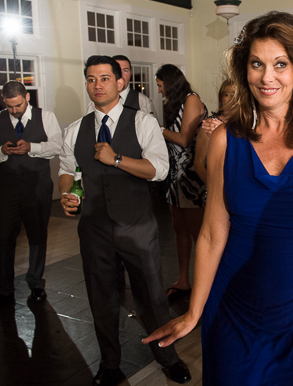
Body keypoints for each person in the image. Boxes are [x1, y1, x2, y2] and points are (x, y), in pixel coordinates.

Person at [144, 11, 293, 386]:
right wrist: (194, 310)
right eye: (257, 64)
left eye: (280, 64)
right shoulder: (226, 139)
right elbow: (211, 234)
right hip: (233, 308)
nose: (266, 76)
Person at [58, 56, 191, 386]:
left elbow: (160, 170)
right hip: (93, 228)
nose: (97, 84)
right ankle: (110, 363)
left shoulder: (143, 122)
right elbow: (66, 170)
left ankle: (168, 358)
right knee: (101, 298)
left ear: (120, 83)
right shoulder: (75, 130)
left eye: (104, 78)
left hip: (136, 226)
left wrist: (117, 159)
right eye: (91, 79)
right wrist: (67, 193)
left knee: (151, 297)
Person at [0, 80, 63, 309]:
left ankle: (36, 284)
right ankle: (5, 288)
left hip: (37, 187)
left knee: (37, 236)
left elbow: (58, 146)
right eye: (9, 107)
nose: (14, 111)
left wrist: (32, 148)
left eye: (18, 105)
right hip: (6, 188)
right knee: (3, 238)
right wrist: (1, 151)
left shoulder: (45, 116)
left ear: (27, 97)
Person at [155, 64, 208, 299]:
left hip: (191, 176)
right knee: (179, 230)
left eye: (160, 85)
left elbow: (185, 139)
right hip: (174, 174)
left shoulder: (191, 100)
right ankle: (183, 279)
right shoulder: (173, 102)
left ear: (170, 82)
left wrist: (158, 130)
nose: (159, 90)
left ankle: (206, 283)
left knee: (198, 233)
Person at [194, 78, 235, 184]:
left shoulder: (247, 124)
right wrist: (213, 187)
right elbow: (198, 163)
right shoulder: (210, 124)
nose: (231, 99)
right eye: (227, 95)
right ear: (221, 98)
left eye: (235, 95)